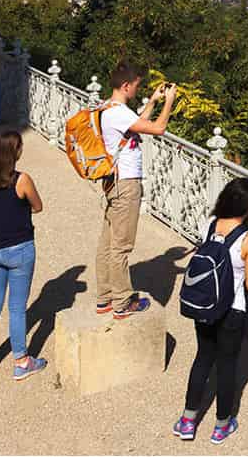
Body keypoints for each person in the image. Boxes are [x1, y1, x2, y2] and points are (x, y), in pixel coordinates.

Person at [174, 178, 248, 444]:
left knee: (203, 358)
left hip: (205, 304)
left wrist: (246, 214)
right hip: (232, 310)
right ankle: (222, 425)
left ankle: (187, 420)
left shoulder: (210, 225)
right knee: (227, 366)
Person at [94, 61, 177, 319]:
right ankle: (121, 302)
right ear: (126, 85)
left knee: (108, 242)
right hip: (126, 185)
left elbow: (136, 125)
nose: (137, 91)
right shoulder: (118, 113)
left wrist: (152, 101)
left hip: (113, 182)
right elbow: (158, 129)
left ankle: (105, 296)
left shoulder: (108, 108)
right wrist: (169, 102)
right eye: (136, 87)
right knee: (121, 246)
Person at [0, 130, 47, 380]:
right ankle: (21, 361)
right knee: (17, 308)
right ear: (15, 152)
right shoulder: (22, 179)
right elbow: (38, 206)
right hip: (19, 249)